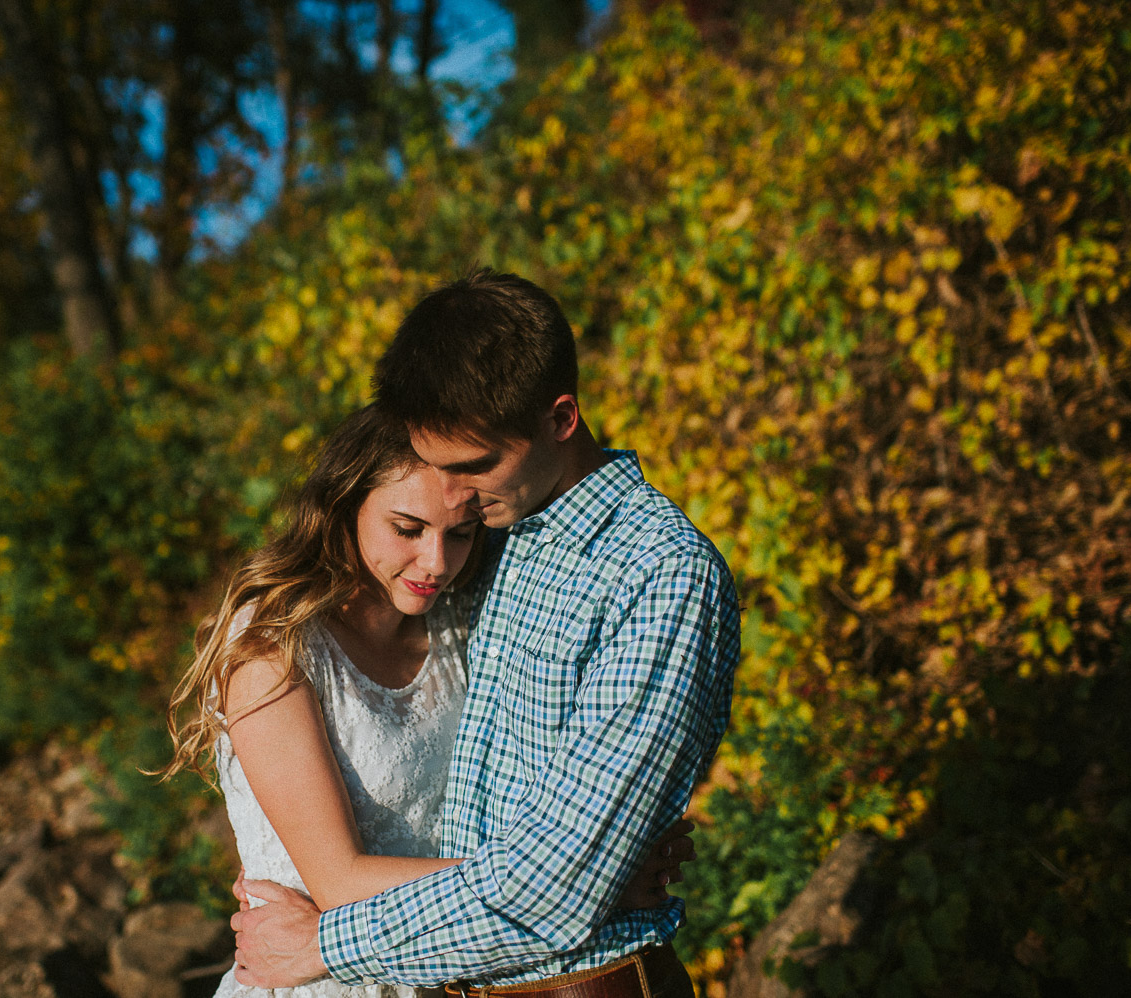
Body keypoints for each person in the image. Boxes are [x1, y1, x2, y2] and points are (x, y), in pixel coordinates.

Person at [230, 270, 741, 998]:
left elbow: (559, 886)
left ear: (561, 419)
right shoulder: (503, 538)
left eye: (473, 468)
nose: (457, 498)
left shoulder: (660, 577)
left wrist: (324, 943)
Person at [158, 405, 694, 998]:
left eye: (460, 534)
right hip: (308, 977)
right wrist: (581, 879)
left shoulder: (462, 627)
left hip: (440, 975)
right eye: (407, 529)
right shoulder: (272, 648)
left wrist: (598, 851)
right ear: (346, 504)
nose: (436, 562)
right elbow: (340, 880)